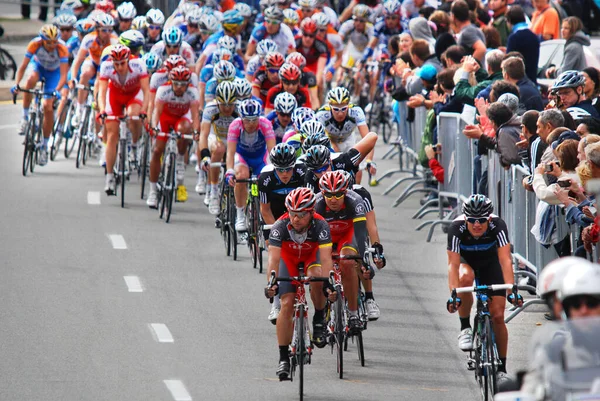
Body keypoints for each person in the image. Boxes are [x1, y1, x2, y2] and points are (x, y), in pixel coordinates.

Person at [446, 195, 522, 381]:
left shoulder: (498, 225)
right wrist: (453, 296)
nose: (477, 225)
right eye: (472, 221)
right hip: (467, 262)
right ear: (465, 219)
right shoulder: (456, 228)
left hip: (491, 263)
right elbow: (453, 266)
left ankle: (502, 369)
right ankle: (465, 327)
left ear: (489, 218)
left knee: (497, 316)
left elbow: (505, 260)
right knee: (465, 278)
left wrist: (512, 291)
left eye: (481, 220)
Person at [264, 187, 337, 379]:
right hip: (288, 261)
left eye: (302, 215)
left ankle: (319, 318)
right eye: (293, 214)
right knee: (287, 303)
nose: (296, 219)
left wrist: (328, 282)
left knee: (317, 278)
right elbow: (273, 260)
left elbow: (327, 258)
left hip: (311, 258)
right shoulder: (280, 226)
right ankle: (283, 358)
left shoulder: (321, 226)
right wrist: (272, 283)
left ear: (312, 212)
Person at [314, 170, 375, 334]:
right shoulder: (317, 203)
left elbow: (361, 233)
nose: (333, 199)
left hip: (348, 234)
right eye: (329, 195)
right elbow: (313, 238)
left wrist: (363, 260)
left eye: (338, 195)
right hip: (327, 236)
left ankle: (354, 314)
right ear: (322, 193)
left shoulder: (355, 200)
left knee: (347, 261)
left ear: (345, 192)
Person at [259, 143, 306, 323]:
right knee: (276, 254)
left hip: (298, 215)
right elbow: (265, 210)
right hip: (274, 217)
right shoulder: (265, 178)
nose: (285, 173)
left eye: (288, 169)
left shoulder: (302, 173)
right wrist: (279, 231)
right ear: (274, 168)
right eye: (280, 170)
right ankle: (276, 303)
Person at [12, 24, 68, 166]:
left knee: (47, 106)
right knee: (30, 81)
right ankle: (25, 117)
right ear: (42, 40)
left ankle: (44, 145)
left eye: (55, 41)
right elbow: (23, 67)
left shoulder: (62, 48)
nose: (52, 45)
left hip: (53, 74)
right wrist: (17, 84)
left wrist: (56, 90)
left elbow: (63, 75)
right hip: (39, 67)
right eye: (49, 42)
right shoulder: (35, 44)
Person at [97, 44, 149, 195]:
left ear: (128, 60)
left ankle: (135, 143)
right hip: (115, 96)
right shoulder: (106, 67)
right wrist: (102, 111)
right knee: (112, 134)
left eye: (122, 64)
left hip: (134, 95)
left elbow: (146, 92)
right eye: (116, 64)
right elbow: (102, 92)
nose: (119, 67)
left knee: (134, 115)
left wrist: (144, 110)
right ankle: (109, 176)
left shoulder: (138, 65)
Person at [147, 66, 200, 208]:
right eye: (175, 83)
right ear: (170, 81)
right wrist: (154, 127)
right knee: (157, 151)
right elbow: (157, 111)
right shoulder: (163, 90)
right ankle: (152, 191)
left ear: (188, 84)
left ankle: (180, 160)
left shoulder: (192, 92)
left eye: (182, 84)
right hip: (165, 118)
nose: (179, 87)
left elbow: (195, 115)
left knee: (185, 130)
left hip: (181, 118)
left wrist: (196, 132)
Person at [225, 99, 277, 231]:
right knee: (242, 176)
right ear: (241, 118)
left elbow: (272, 150)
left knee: (265, 180)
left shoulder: (265, 124)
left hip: (260, 158)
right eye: (247, 120)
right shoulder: (235, 125)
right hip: (242, 157)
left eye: (254, 119)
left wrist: (274, 170)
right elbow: (230, 152)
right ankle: (240, 215)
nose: (251, 123)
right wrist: (229, 171)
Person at [70, 13, 119, 128]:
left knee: (98, 82)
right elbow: (77, 61)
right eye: (104, 30)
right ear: (97, 29)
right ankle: (79, 109)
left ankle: (97, 112)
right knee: (85, 74)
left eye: (110, 30)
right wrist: (72, 77)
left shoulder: (114, 40)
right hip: (92, 62)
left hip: (106, 65)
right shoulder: (89, 38)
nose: (107, 34)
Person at [198, 82, 239, 213]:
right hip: (215, 136)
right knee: (219, 148)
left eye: (230, 105)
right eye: (223, 104)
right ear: (217, 101)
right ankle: (214, 192)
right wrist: (205, 156)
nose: (227, 108)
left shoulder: (240, 109)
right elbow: (203, 135)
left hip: (233, 138)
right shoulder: (210, 108)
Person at [506, 6, 540, 84]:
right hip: (532, 81)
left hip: (518, 82)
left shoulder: (514, 38)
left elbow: (508, 62)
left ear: (509, 21)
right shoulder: (534, 36)